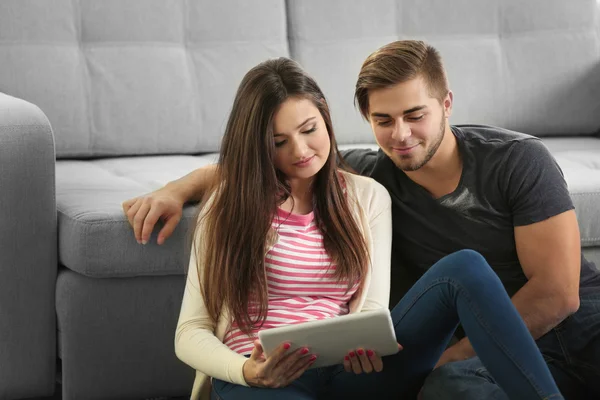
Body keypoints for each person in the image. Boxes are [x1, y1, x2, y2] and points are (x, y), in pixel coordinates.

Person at [125, 57, 564, 400]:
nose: (300, 150)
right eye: (278, 143)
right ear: (257, 146)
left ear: (326, 118)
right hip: (262, 377)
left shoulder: (367, 195)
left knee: (465, 268)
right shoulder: (229, 206)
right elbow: (190, 332)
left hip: (353, 374)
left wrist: (365, 345)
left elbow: (371, 308)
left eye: (309, 129)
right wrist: (246, 371)